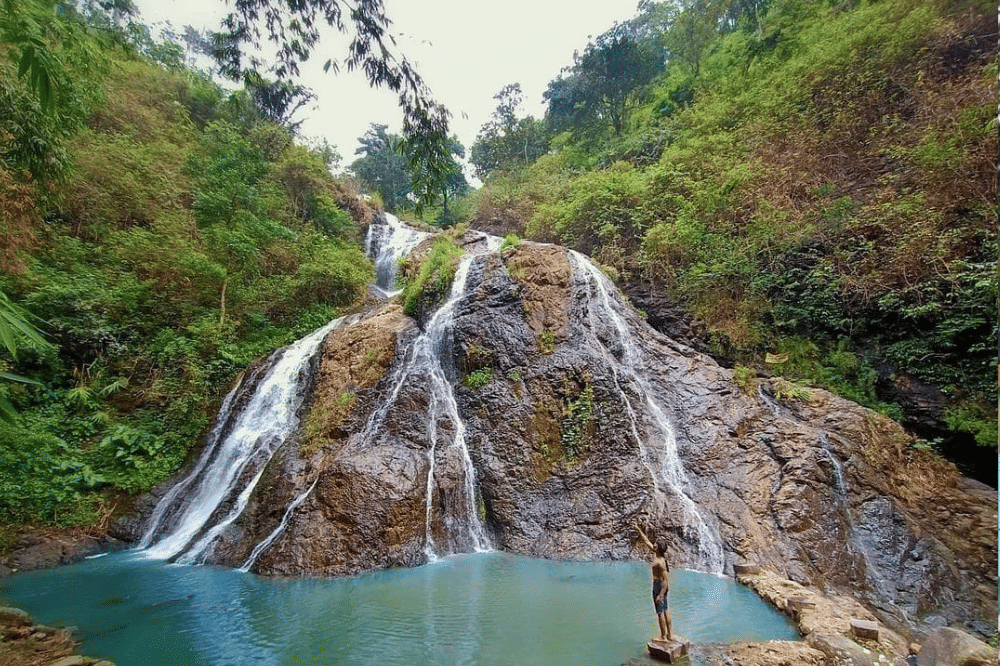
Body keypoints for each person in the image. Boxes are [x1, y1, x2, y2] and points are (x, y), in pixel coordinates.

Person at [631, 520, 673, 643]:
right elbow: (646, 542)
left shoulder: (661, 562)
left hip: (659, 586)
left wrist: (661, 594)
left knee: (660, 612)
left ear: (659, 549)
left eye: (655, 545)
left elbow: (666, 580)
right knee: (665, 610)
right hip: (660, 586)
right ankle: (670, 635)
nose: (653, 545)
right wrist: (638, 530)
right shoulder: (658, 555)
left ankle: (663, 637)